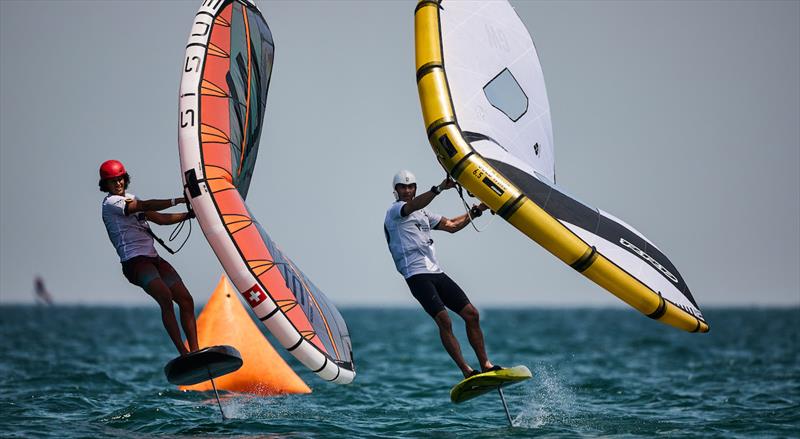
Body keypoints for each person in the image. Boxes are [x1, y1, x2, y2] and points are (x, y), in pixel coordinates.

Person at [383, 169, 501, 378]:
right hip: (416, 276)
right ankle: (466, 370)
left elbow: (452, 225)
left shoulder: (424, 215)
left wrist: (477, 210)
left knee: (472, 314)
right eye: (403, 187)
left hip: (436, 272)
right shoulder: (396, 211)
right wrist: (438, 189)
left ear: (415, 188)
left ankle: (486, 365)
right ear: (396, 191)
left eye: (411, 187)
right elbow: (412, 205)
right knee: (445, 320)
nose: (407, 191)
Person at [98, 159, 199, 356]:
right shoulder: (111, 203)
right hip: (135, 263)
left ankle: (196, 352)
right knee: (165, 296)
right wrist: (177, 200)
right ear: (106, 185)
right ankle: (183, 353)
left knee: (186, 300)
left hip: (154, 260)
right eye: (113, 181)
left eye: (120, 179)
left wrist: (190, 214)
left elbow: (160, 219)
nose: (118, 183)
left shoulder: (130, 198)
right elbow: (144, 205)